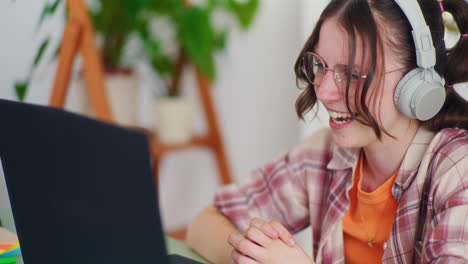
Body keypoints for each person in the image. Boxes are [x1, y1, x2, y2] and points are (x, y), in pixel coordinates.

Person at [186, 0, 468, 263]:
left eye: (355, 74)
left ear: (417, 83)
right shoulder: (325, 154)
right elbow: (204, 225)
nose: (323, 90)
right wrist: (250, 255)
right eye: (320, 65)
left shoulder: (459, 172)